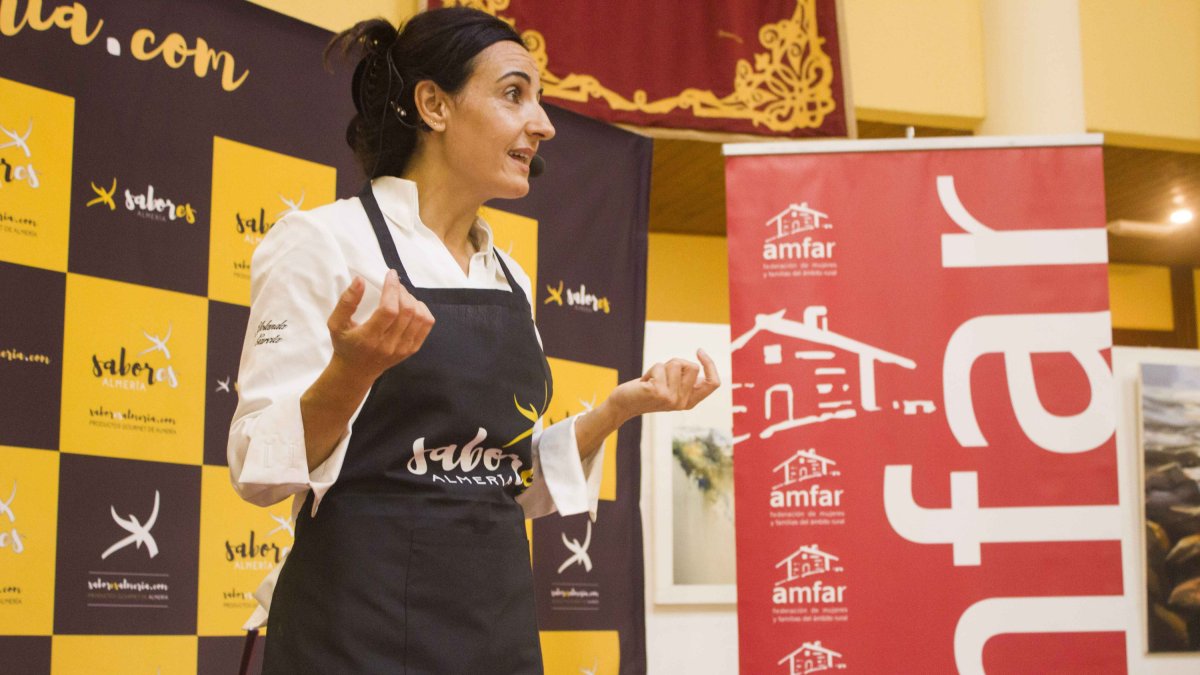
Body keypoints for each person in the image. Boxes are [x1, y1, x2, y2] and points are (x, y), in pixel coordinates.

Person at [227, 7, 720, 674]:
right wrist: (352, 371)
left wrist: (616, 410)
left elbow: (502, 482)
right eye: (514, 94)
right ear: (434, 105)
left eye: (539, 100)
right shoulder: (324, 243)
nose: (543, 124)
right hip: (355, 633)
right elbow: (257, 468)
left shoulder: (508, 274)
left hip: (494, 631)